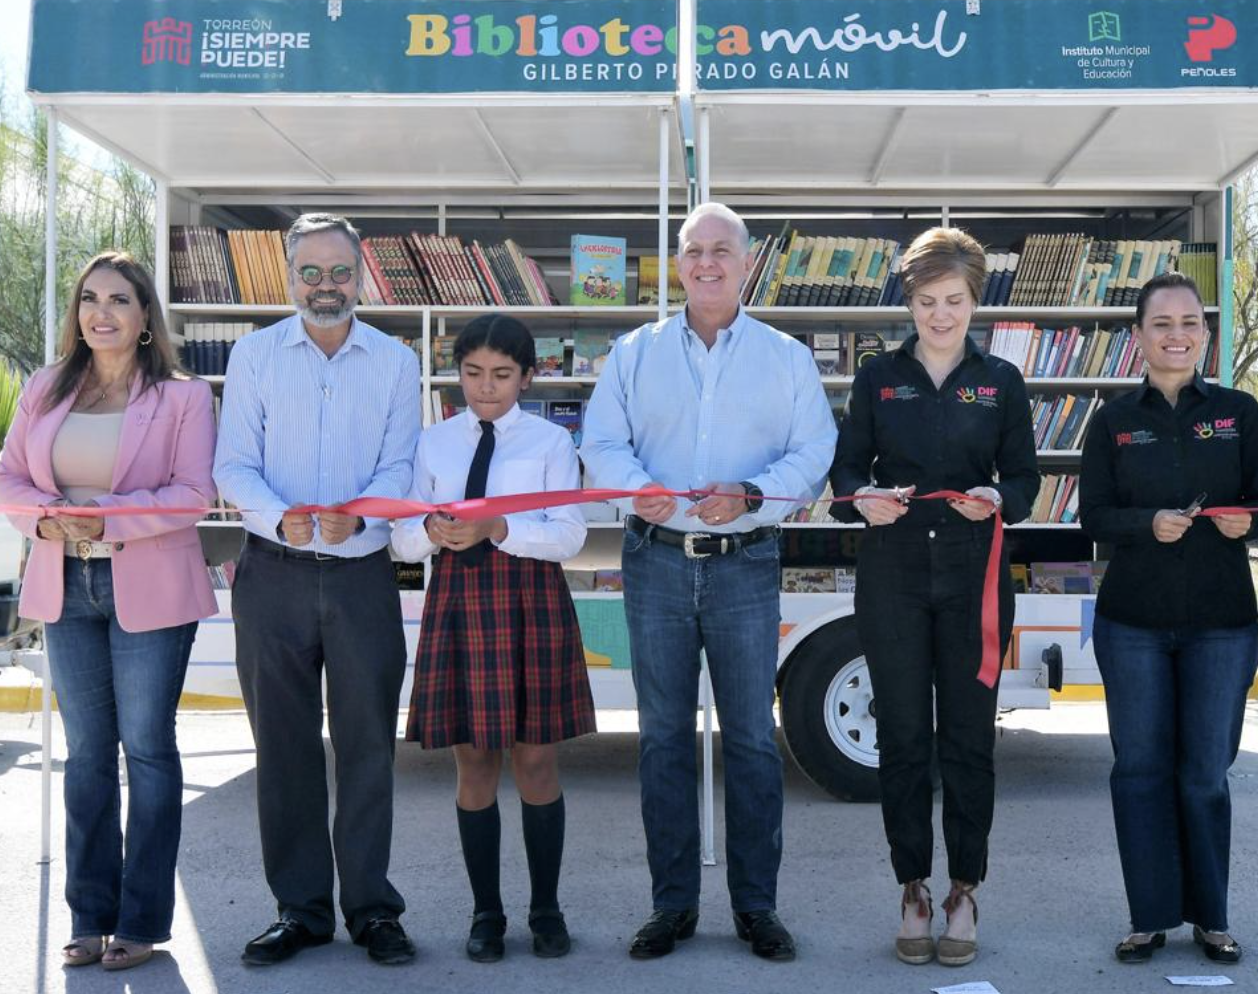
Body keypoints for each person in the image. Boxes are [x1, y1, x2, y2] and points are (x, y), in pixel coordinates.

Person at [580, 202, 836, 962]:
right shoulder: (634, 352)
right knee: (662, 741)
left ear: (748, 263)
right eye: (694, 251)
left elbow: (814, 450)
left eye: (723, 251)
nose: (708, 264)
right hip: (654, 560)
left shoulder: (786, 358)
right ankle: (673, 906)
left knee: (754, 740)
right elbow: (601, 442)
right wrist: (635, 490)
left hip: (745, 566)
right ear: (677, 263)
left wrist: (754, 493)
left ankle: (757, 907)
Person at [0, 251, 216, 972]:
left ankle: (142, 920)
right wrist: (49, 519)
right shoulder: (44, 388)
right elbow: (9, 480)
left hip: (147, 589)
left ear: (146, 316)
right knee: (88, 757)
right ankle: (90, 916)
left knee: (148, 751)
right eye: (90, 299)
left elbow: (191, 495)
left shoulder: (183, 397)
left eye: (119, 300)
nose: (102, 313)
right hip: (67, 588)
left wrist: (106, 519)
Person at [212, 213, 421, 967]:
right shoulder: (255, 355)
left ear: (360, 276)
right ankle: (300, 911)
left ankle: (372, 909)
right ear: (289, 275)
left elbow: (402, 467)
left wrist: (361, 513)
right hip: (273, 575)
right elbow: (233, 465)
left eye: (339, 273)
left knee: (368, 745)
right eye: (311, 273)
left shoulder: (397, 362)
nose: (325, 287)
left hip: (363, 574)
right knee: (285, 748)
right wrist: (280, 519)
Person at [828, 226, 1039, 967]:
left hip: (974, 577)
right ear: (908, 301)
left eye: (953, 301)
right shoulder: (877, 377)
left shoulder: (1002, 381)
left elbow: (1026, 478)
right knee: (906, 739)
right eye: (926, 301)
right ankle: (913, 887)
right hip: (892, 577)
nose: (940, 315)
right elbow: (845, 471)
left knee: (969, 742)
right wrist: (862, 500)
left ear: (974, 301)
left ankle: (965, 889)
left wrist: (997, 495)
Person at [1077, 270, 1258, 966]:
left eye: (1190, 322)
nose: (1177, 335)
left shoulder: (1239, 411)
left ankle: (1211, 918)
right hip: (1132, 622)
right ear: (1138, 337)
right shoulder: (1112, 421)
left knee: (1205, 771)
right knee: (1138, 769)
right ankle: (1148, 919)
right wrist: (1147, 524)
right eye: (1161, 324)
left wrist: (1244, 524)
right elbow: (1094, 516)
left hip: (1221, 624)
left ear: (1207, 333)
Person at [390, 314, 596, 963]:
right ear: (458, 374)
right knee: (474, 761)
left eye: (502, 375)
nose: (486, 388)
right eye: (473, 373)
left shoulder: (550, 442)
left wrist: (499, 530)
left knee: (535, 759)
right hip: (460, 601)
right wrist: (433, 530)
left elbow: (570, 535)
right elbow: (399, 539)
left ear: (528, 377)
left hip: (531, 600)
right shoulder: (433, 443)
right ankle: (486, 913)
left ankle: (546, 908)